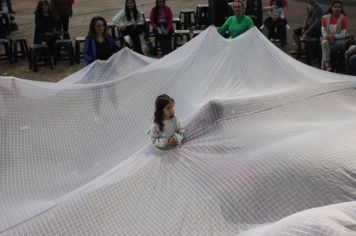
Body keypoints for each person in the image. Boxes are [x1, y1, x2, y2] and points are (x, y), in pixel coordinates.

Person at [83, 16, 120, 118]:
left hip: (108, 68)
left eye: (102, 26)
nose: (101, 28)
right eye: (98, 26)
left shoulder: (108, 38)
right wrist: (93, 61)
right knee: (97, 94)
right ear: (93, 27)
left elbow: (115, 48)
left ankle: (116, 109)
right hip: (97, 70)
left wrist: (124, 49)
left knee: (112, 91)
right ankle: (97, 114)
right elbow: (85, 54)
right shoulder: (90, 39)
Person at [320, 0, 348, 71]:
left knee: (325, 47)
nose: (337, 8)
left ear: (341, 9)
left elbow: (343, 34)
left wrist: (333, 36)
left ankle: (323, 67)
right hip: (327, 38)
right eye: (335, 7)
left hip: (339, 41)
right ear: (332, 8)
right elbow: (323, 30)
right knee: (325, 42)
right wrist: (327, 36)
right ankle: (327, 64)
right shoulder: (325, 18)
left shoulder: (344, 19)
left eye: (339, 7)